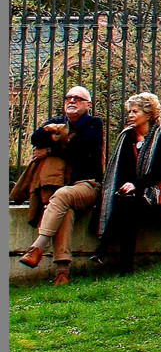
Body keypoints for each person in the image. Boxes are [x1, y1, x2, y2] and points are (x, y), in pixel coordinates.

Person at [15, 86, 105, 285]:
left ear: (88, 105)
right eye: (68, 98)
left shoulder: (94, 124)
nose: (72, 101)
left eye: (78, 99)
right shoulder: (57, 121)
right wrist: (59, 137)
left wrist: (49, 150)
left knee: (61, 196)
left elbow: (81, 149)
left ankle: (38, 246)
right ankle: (62, 272)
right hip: (64, 192)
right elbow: (36, 137)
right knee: (64, 211)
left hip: (88, 186)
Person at [92, 92, 161, 275]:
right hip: (128, 196)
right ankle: (125, 267)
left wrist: (136, 185)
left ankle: (104, 248)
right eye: (129, 112)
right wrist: (126, 186)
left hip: (153, 194)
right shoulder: (126, 138)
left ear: (148, 114)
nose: (130, 116)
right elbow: (119, 171)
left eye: (134, 111)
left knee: (129, 205)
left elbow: (160, 173)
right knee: (128, 205)